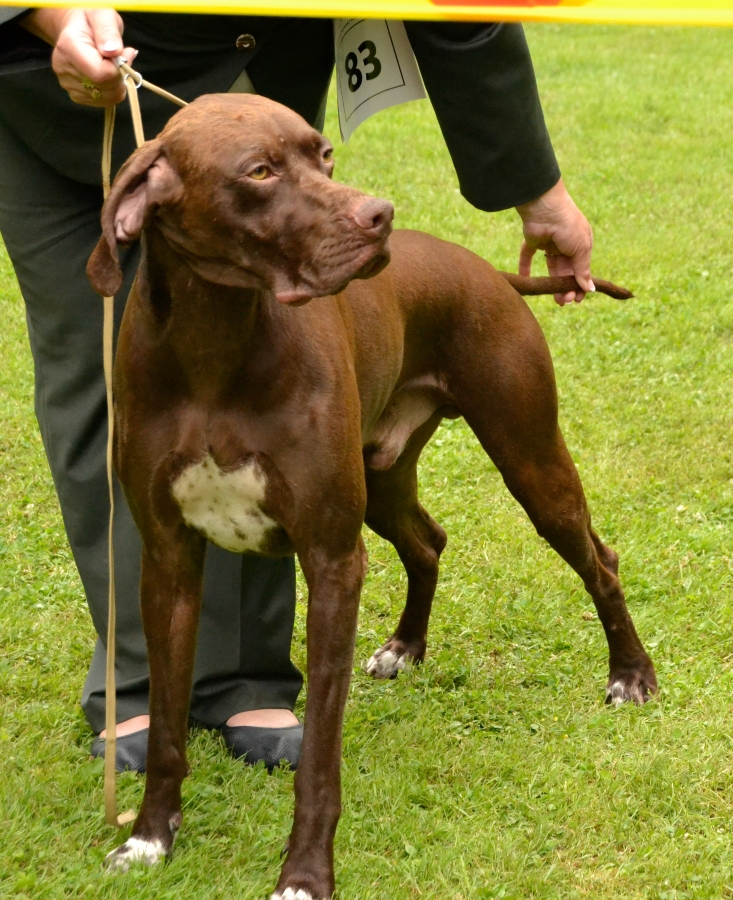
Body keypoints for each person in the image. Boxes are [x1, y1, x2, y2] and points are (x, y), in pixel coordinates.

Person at [0, 6, 594, 773]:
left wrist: (536, 188)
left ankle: (247, 676)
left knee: (276, 384)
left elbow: (459, 15)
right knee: (102, 381)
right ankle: (138, 684)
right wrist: (51, 16)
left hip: (256, 87)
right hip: (49, 95)